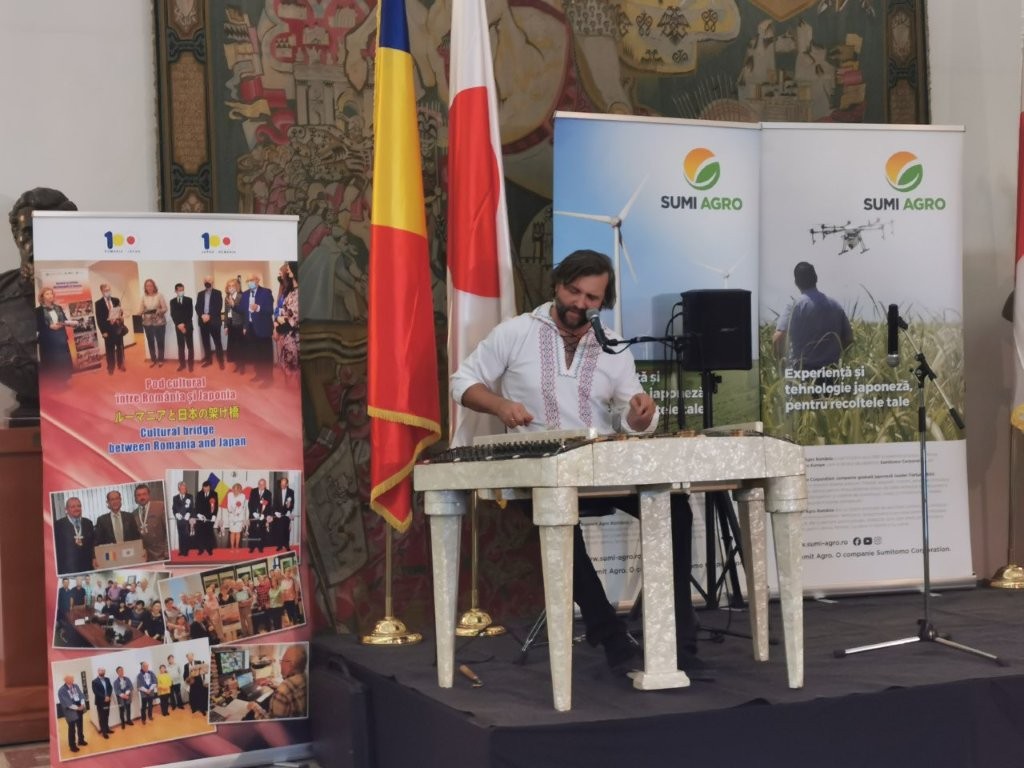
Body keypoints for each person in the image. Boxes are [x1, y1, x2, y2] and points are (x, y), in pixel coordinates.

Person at [451, 249, 697, 670]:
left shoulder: (612, 345)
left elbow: (631, 416)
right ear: (557, 285)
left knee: (675, 507)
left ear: (604, 302)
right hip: (540, 468)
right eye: (573, 291)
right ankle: (611, 636)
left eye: (592, 298)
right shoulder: (517, 332)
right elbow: (463, 382)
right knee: (561, 521)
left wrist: (640, 417)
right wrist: (500, 406)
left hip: (600, 467)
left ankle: (677, 639)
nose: (579, 304)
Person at [773, 261, 853, 370]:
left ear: (796, 282)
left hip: (801, 372)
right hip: (830, 372)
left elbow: (778, 338)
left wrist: (782, 365)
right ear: (816, 278)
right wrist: (834, 355)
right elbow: (848, 338)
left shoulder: (794, 306)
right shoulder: (836, 306)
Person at [248, 645, 307, 719]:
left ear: (291, 665)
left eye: (282, 661)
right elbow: (292, 691)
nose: (280, 663)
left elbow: (271, 724)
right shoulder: (305, 678)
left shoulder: (283, 691)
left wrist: (256, 708)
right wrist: (273, 685)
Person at [239, 272, 275, 384]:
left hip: (263, 328)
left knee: (266, 354)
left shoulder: (266, 292)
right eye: (248, 281)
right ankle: (259, 375)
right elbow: (242, 311)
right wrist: (233, 305)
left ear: (258, 280)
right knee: (255, 354)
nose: (249, 282)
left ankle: (268, 379)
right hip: (251, 328)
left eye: (252, 280)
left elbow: (270, 310)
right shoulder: (245, 294)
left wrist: (258, 308)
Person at [35, 286, 74, 380]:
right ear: (42, 297)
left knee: (63, 361)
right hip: (48, 341)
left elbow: (64, 320)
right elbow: (37, 326)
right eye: (47, 294)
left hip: (60, 338)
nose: (50, 295)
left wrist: (69, 323)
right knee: (52, 363)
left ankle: (64, 379)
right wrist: (49, 326)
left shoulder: (58, 307)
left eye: (51, 293)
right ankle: (55, 381)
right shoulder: (38, 310)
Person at [54, 496, 96, 575]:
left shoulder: (88, 523)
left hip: (87, 568)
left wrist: (94, 558)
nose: (76, 509)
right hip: (68, 570)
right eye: (73, 507)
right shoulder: (58, 525)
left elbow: (93, 544)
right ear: (66, 509)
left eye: (79, 506)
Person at [273, 261, 300, 378]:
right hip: (286, 337)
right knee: (287, 368)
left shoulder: (300, 292)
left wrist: (278, 328)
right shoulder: (290, 291)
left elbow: (294, 319)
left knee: (294, 371)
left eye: (289, 268)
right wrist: (278, 320)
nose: (287, 270)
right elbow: (284, 311)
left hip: (294, 338)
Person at [95, 282, 127, 374]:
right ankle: (111, 367)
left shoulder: (116, 300)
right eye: (106, 290)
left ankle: (121, 364)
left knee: (120, 348)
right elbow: (99, 319)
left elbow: (120, 313)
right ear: (102, 291)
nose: (108, 292)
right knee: (109, 349)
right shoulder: (98, 303)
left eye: (109, 290)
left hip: (117, 328)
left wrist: (120, 314)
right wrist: (103, 332)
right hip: (107, 330)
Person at [195, 274, 225, 368]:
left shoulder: (218, 293)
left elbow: (218, 306)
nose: (207, 282)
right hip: (203, 321)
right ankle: (208, 360)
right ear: (204, 282)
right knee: (205, 342)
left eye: (209, 280)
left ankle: (221, 361)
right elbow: (197, 307)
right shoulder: (200, 294)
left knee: (217, 342)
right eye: (205, 281)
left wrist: (209, 316)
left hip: (214, 321)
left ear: (212, 282)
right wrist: (202, 315)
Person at [134, 483, 168, 561]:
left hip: (161, 554)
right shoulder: (133, 514)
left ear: (149, 495)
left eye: (144, 494)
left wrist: (167, 551)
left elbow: (168, 530)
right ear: (135, 498)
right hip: (144, 556)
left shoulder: (161, 506)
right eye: (138, 495)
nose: (142, 497)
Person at [139, 278, 168, 367]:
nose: (149, 287)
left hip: (159, 322)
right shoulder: (143, 297)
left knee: (160, 341)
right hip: (147, 323)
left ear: (154, 286)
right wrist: (141, 312)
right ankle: (153, 360)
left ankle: (160, 360)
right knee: (150, 342)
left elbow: (165, 308)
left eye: (151, 285)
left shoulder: (159, 295)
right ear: (145, 287)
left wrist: (160, 310)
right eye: (147, 286)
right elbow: (140, 310)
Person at [57, 674, 88, 752]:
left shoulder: (75, 686)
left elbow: (81, 695)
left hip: (79, 707)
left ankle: (81, 740)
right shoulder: (62, 690)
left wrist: (82, 704)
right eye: (70, 679)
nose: (72, 680)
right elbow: (67, 703)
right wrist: (77, 708)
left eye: (72, 679)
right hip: (70, 710)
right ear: (65, 680)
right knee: (72, 729)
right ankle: (72, 746)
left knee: (80, 726)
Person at [170, 282, 195, 372]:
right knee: (181, 347)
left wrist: (183, 324)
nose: (181, 292)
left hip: (188, 325)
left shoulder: (189, 300)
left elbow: (190, 314)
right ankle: (182, 365)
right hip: (178, 327)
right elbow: (173, 314)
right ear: (176, 291)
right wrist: (179, 324)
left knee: (190, 346)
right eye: (179, 290)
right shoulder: (172, 301)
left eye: (182, 290)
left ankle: (191, 365)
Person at [224, 277, 247, 372]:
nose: (231, 288)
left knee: (240, 346)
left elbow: (244, 312)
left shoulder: (241, 296)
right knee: (233, 346)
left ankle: (242, 366)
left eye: (233, 286)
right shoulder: (226, 298)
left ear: (236, 287)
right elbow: (226, 312)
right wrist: (225, 326)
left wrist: (245, 326)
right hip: (230, 324)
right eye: (229, 286)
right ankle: (237, 364)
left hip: (239, 324)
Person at [171, 481, 194, 556]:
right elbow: (174, 508)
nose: (183, 490)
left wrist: (188, 513)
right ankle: (181, 550)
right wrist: (176, 514)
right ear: (179, 489)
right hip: (179, 520)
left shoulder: (190, 496)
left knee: (186, 535)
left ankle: (186, 551)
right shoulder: (175, 498)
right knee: (180, 535)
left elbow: (191, 508)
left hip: (186, 519)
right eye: (182, 488)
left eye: (184, 488)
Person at [195, 480, 218, 555]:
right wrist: (198, 514)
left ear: (209, 487)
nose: (205, 489)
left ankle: (209, 549)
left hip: (209, 518)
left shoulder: (214, 494)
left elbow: (216, 506)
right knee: (200, 534)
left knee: (209, 534)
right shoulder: (199, 494)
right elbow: (197, 505)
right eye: (204, 488)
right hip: (201, 517)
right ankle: (201, 549)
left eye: (207, 488)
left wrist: (214, 515)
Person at [248, 479, 271, 552]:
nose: (261, 486)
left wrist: (264, 515)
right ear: (258, 484)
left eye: (262, 484)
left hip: (262, 516)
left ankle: (260, 547)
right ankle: (252, 547)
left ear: (265, 485)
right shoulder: (253, 491)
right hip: (254, 515)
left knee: (262, 532)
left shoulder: (268, 493)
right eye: (259, 484)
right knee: (253, 531)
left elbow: (269, 506)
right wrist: (253, 513)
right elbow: (250, 503)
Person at [272, 476, 295, 551]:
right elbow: (274, 503)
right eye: (281, 484)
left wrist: (289, 509)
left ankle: (286, 545)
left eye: (283, 484)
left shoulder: (291, 492)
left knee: (286, 530)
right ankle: (279, 545)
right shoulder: (277, 491)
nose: (281, 485)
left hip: (286, 514)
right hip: (278, 514)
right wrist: (275, 512)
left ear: (287, 484)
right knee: (279, 530)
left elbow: (292, 503)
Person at [91, 667, 114, 739]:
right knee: (102, 717)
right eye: (101, 670)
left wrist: (108, 696)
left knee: (106, 715)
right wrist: (105, 697)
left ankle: (107, 729)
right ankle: (104, 732)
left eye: (104, 671)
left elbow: (110, 688)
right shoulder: (94, 681)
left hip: (107, 701)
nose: (103, 672)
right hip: (100, 702)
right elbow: (96, 692)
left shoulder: (107, 679)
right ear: (98, 671)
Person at [225, 482, 247, 548]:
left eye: (237, 490)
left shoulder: (243, 496)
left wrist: (237, 513)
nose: (235, 491)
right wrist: (231, 511)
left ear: (240, 490)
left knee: (238, 532)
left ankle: (237, 546)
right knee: (232, 532)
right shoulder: (229, 494)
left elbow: (241, 506)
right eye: (233, 489)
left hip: (239, 516)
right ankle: (232, 547)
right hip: (231, 515)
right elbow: (228, 505)